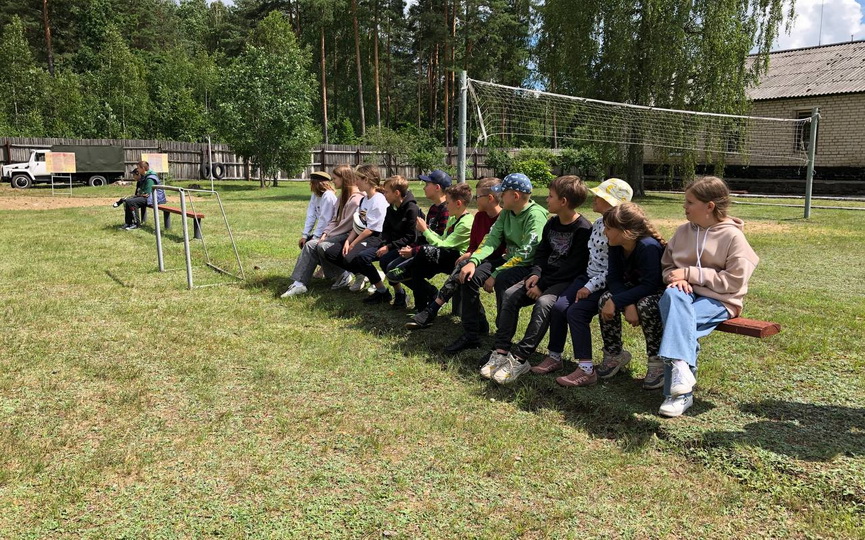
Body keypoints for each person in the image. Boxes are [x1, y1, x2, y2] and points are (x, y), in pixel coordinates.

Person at [655, 176, 759, 418]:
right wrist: (675, 278)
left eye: (690, 202)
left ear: (709, 206)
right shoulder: (682, 232)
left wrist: (690, 273)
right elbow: (667, 267)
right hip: (684, 296)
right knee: (673, 296)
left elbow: (734, 281)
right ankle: (681, 380)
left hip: (720, 300)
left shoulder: (733, 237)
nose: (685, 207)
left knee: (678, 322)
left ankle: (678, 391)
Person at [482, 176, 592, 384]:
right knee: (510, 294)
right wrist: (536, 274)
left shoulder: (583, 229)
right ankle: (501, 350)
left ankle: (521, 357)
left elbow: (573, 268)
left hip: (564, 282)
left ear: (563, 202)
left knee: (543, 304)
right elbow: (541, 253)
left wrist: (542, 285)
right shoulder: (552, 223)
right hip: (543, 277)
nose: (546, 200)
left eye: (550, 196)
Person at [540, 178, 634, 385]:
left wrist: (588, 287)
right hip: (587, 277)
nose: (594, 198)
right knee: (559, 307)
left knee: (576, 312)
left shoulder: (618, 231)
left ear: (611, 203)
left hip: (604, 284)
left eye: (599, 196)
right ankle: (554, 357)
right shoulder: (599, 223)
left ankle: (586, 369)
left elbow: (613, 270)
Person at [564, 202, 665, 389]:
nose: (604, 233)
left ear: (625, 231)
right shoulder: (616, 244)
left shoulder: (648, 247)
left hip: (654, 293)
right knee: (604, 300)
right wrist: (624, 303)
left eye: (609, 228)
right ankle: (614, 354)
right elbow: (614, 278)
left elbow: (651, 285)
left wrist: (620, 300)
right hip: (631, 289)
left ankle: (657, 362)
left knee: (645, 305)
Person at [445, 173, 548, 355]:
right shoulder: (507, 212)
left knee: (503, 281)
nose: (500, 197)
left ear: (515, 196)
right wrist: (473, 261)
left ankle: (502, 340)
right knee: (469, 276)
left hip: (528, 265)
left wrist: (495, 274)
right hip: (508, 261)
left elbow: (527, 253)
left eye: (503, 193)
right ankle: (471, 334)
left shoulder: (536, 215)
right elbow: (490, 240)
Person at [405, 177, 504, 330]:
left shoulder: (503, 219)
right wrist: (470, 253)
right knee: (459, 268)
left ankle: (432, 309)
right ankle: (479, 322)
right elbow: (474, 245)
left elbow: (498, 249)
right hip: (475, 259)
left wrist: (471, 256)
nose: (475, 200)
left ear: (490, 198)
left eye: (478, 196)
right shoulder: (479, 216)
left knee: (461, 271)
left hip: (493, 262)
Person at [388, 183, 474, 312]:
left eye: (448, 202)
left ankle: (406, 269)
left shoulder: (466, 223)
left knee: (423, 252)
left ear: (458, 204)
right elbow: (442, 240)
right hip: (447, 255)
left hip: (457, 260)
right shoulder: (453, 217)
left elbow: (444, 244)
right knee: (418, 268)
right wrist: (427, 230)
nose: (446, 205)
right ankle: (420, 307)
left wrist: (425, 231)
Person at [282, 165, 363, 297]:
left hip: (349, 236)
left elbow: (346, 225)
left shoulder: (356, 199)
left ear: (344, 178)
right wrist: (325, 233)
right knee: (312, 244)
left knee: (318, 245)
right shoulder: (343, 196)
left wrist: (327, 236)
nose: (333, 181)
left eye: (335, 178)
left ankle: (342, 275)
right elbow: (333, 220)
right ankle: (299, 283)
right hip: (338, 233)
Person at [322, 165, 390, 299]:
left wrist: (353, 244)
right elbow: (358, 223)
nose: (356, 182)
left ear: (366, 180)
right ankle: (364, 274)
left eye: (358, 179)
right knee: (331, 252)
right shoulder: (364, 199)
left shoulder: (379, 200)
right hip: (363, 234)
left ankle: (380, 288)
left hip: (377, 236)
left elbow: (370, 229)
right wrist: (348, 240)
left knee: (353, 257)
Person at [364, 175, 421, 305]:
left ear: (396, 193)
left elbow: (411, 236)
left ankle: (416, 291)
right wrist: (385, 244)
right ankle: (399, 293)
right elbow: (386, 231)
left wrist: (389, 247)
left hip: (408, 247)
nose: (384, 194)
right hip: (392, 245)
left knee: (386, 262)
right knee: (366, 257)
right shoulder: (390, 208)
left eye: (386, 192)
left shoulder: (412, 209)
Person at [122, 161, 165, 230]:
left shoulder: (150, 178)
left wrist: (139, 195)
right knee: (127, 200)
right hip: (148, 197)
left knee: (131, 202)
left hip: (154, 198)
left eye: (138, 168)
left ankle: (136, 224)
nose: (137, 170)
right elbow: (142, 191)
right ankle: (128, 223)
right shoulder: (144, 176)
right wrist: (139, 195)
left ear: (143, 168)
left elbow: (147, 194)